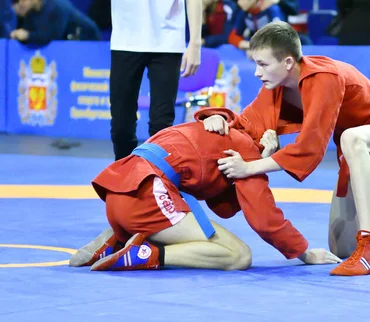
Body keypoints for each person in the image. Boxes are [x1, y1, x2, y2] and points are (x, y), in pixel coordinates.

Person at [202, 21, 370, 277]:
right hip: (352, 151)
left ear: (288, 62)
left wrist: (250, 168)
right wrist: (216, 119)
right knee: (343, 245)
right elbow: (247, 125)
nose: (257, 72)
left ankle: (369, 249)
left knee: (351, 137)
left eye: (263, 64)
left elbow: (310, 148)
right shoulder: (275, 88)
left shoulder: (324, 78)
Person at [70, 108, 342, 271]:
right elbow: (264, 219)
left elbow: (222, 207)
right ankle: (146, 253)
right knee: (238, 255)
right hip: (147, 195)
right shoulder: (243, 151)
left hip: (121, 189)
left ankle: (117, 237)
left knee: (199, 224)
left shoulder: (220, 129)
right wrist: (304, 252)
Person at [47, 0, 209, 161]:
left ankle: (158, 182)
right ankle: (124, 184)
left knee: (161, 125)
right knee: (121, 128)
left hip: (167, 43)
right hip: (125, 41)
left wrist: (195, 44)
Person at [10, 0, 100, 45]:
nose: (20, 4)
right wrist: (18, 35)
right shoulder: (31, 11)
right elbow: (28, 32)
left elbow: (53, 36)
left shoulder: (56, 7)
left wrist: (28, 36)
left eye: (24, 0)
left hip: (88, 40)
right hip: (68, 42)